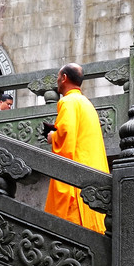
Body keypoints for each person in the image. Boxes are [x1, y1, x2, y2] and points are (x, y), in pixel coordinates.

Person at [43, 63, 107, 233]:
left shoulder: (67, 101)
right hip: (93, 175)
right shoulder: (87, 104)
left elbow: (66, 135)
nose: (57, 81)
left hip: (76, 182)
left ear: (64, 78)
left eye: (58, 77)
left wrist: (52, 137)